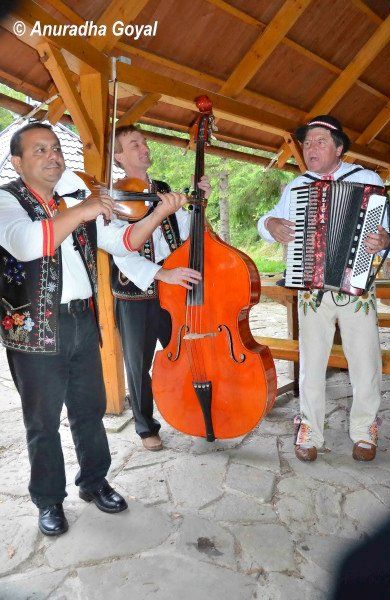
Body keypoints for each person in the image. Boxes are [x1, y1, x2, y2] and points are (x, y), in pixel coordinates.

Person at [0, 122, 187, 535]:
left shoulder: (75, 199)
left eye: (56, 150)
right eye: (40, 151)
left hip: (83, 320)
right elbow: (30, 243)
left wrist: (157, 213)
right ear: (17, 162)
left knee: (89, 410)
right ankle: (48, 500)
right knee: (42, 421)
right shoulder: (6, 202)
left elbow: (125, 242)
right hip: (34, 332)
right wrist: (84, 207)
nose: (53, 157)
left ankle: (94, 481)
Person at [258, 115, 390, 463]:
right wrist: (271, 224)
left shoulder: (366, 179)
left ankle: (365, 430)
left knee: (364, 359)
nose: (311, 147)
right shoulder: (297, 185)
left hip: (356, 289)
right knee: (311, 360)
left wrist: (384, 241)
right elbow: (268, 221)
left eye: (320, 141)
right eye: (307, 142)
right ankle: (309, 428)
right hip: (310, 290)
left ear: (339, 148)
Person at [111, 125, 211, 451]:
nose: (143, 147)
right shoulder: (112, 199)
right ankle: (145, 427)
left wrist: (197, 203)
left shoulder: (163, 188)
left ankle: (191, 410)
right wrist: (161, 273)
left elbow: (182, 233)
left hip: (171, 294)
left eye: (144, 141)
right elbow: (121, 252)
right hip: (134, 295)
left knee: (183, 354)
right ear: (119, 156)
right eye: (134, 144)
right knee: (139, 365)